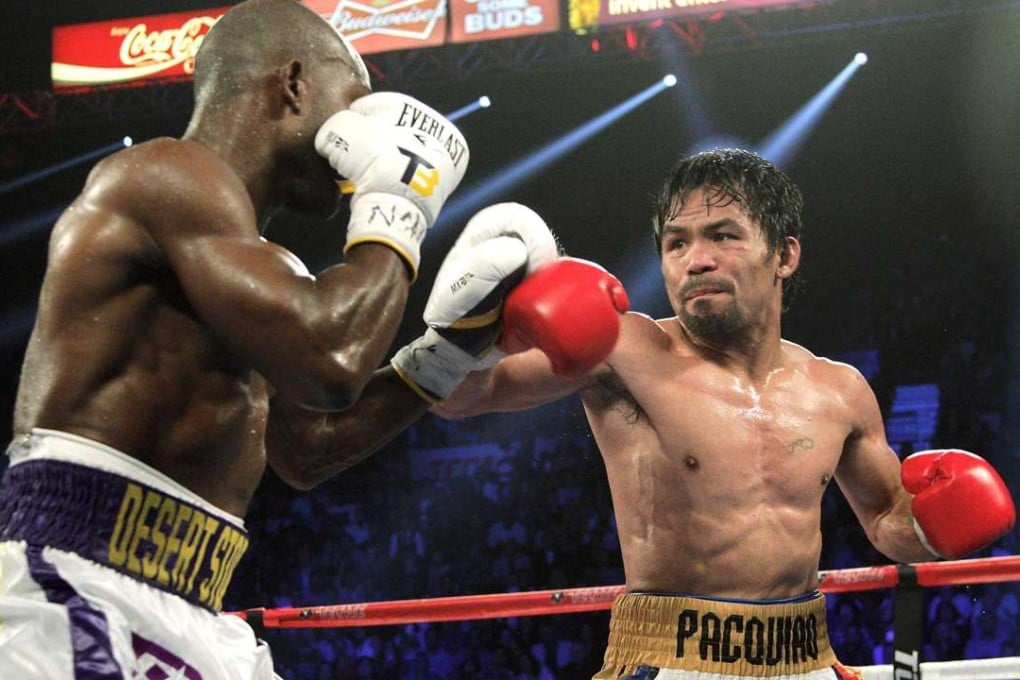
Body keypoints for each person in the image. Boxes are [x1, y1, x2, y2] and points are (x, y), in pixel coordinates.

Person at [315, 148, 1016, 679]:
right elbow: (469, 399)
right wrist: (474, 333)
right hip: (671, 656)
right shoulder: (625, 347)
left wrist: (932, 527)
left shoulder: (838, 390)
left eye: (723, 236)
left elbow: (887, 520)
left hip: (806, 656)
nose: (695, 259)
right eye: (677, 243)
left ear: (786, 256)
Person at [0, 0, 477, 676]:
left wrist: (451, 349)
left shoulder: (265, 268)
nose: (368, 132)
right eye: (355, 101)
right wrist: (400, 202)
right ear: (293, 84)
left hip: (193, 602)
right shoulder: (164, 175)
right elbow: (333, 359)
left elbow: (308, 447)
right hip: (75, 578)